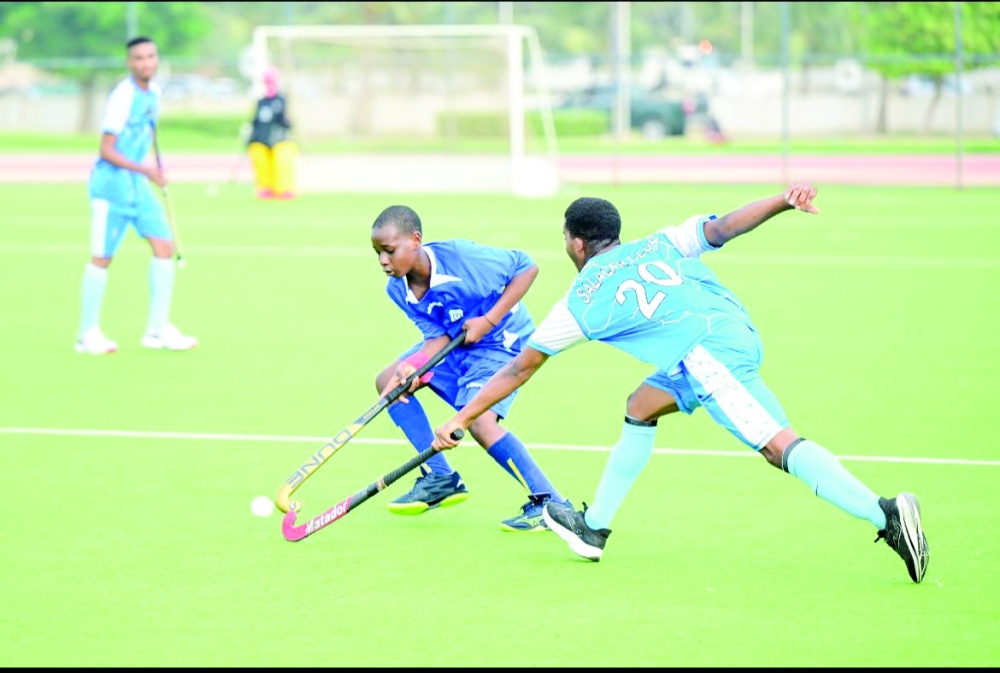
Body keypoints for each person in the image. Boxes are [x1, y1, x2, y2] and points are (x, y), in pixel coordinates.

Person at [432, 183, 930, 584]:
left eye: (566, 238)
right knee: (641, 404)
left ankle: (885, 515)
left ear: (577, 243)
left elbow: (519, 369)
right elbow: (725, 227)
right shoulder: (659, 242)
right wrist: (782, 200)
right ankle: (594, 529)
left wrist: (460, 419)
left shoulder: (579, 301)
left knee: (778, 447)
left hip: (709, 358)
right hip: (732, 330)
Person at [371, 205, 571, 532]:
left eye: (389, 251)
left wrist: (488, 319)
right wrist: (412, 367)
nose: (382, 261)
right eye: (378, 253)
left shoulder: (463, 258)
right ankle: (440, 477)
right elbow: (435, 339)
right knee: (389, 383)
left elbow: (527, 268)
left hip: (501, 340)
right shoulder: (398, 289)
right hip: (457, 342)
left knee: (478, 421)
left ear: (416, 240)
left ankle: (550, 503)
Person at [77, 36, 196, 355]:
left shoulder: (153, 93)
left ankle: (157, 330)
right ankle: (87, 334)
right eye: (139, 58)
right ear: (130, 63)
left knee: (163, 246)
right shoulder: (122, 97)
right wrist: (145, 171)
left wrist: (156, 167)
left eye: (151, 56)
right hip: (110, 188)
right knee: (102, 258)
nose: (146, 63)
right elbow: (106, 149)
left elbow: (149, 133)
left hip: (138, 188)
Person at [246, 66, 297, 200]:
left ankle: (284, 189)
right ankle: (266, 187)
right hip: (261, 139)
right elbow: (256, 121)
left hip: (279, 139)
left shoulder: (281, 100)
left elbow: (284, 120)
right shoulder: (261, 102)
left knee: (282, 159)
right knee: (259, 156)